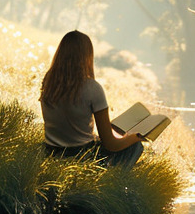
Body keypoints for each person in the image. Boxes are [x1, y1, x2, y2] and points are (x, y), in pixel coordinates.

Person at [40, 30, 144, 167]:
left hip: (51, 151)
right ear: (87, 56)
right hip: (81, 155)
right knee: (135, 146)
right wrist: (135, 137)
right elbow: (111, 144)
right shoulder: (92, 88)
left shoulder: (49, 82)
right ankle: (113, 179)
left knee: (100, 136)